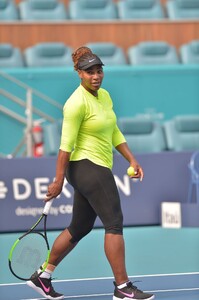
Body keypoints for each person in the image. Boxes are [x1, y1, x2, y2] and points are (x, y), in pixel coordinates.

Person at [27, 46, 155, 300]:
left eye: (98, 71)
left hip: (94, 166)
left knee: (79, 226)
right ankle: (122, 286)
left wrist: (132, 158)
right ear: (78, 73)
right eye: (89, 72)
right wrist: (58, 180)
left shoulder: (104, 96)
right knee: (114, 223)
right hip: (88, 166)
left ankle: (43, 275)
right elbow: (65, 147)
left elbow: (113, 130)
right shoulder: (75, 104)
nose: (96, 76)